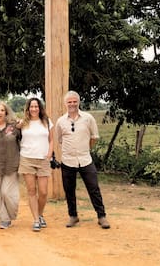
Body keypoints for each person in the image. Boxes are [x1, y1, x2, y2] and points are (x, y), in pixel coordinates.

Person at [56, 90, 110, 229]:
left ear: (78, 102)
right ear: (65, 103)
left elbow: (94, 137)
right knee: (69, 190)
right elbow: (59, 140)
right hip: (68, 160)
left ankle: (101, 216)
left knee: (93, 188)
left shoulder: (88, 118)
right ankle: (73, 216)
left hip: (85, 159)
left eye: (74, 101)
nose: (72, 104)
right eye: (69, 102)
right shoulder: (61, 121)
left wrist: (85, 149)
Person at [17, 97, 54, 232]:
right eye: (31, 107)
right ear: (28, 109)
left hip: (43, 159)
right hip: (27, 158)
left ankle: (40, 213)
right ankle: (36, 220)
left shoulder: (47, 122)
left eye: (36, 106)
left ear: (40, 108)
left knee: (43, 192)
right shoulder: (23, 123)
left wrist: (49, 154)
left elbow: (51, 140)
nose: (34, 109)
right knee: (32, 191)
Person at [0, 100, 20, 229]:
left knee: (6, 193)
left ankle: (11, 214)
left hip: (11, 164)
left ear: (6, 112)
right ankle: (3, 219)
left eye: (2, 110)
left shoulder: (14, 127)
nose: (0, 112)